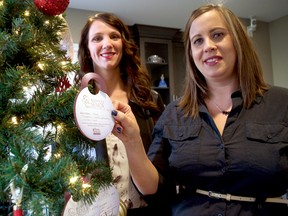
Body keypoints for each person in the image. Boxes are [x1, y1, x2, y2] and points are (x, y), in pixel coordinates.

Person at [111, 4, 288, 216]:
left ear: (238, 41)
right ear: (191, 54)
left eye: (218, 34)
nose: (208, 46)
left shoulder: (282, 103)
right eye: (198, 41)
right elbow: (153, 188)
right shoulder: (174, 114)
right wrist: (132, 142)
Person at [75, 12, 165, 215]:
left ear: (124, 44)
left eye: (114, 36)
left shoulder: (150, 101)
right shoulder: (75, 105)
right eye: (97, 38)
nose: (107, 44)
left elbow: (159, 175)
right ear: (88, 49)